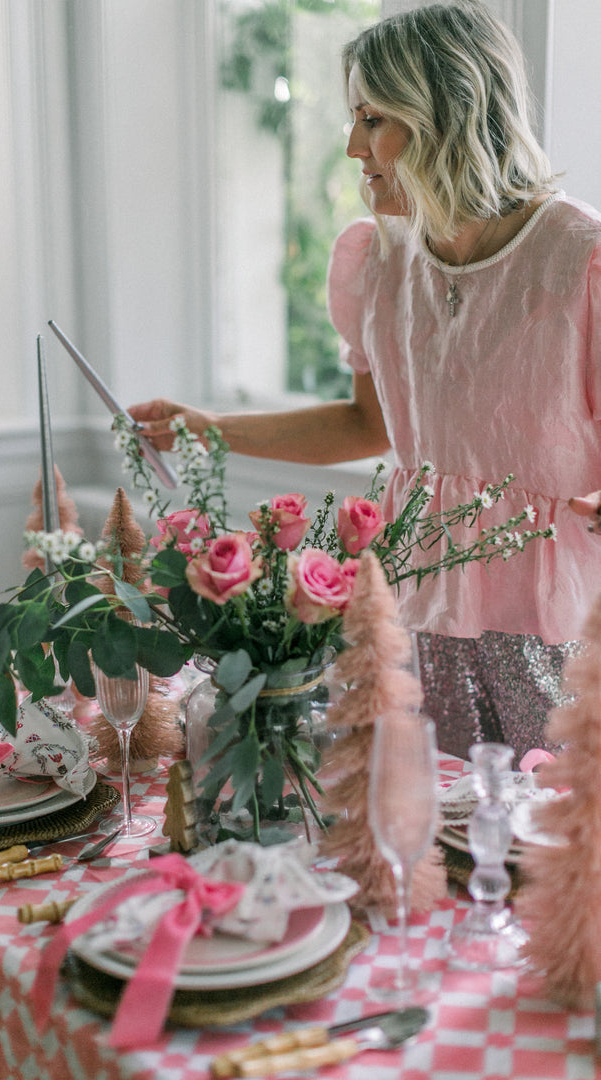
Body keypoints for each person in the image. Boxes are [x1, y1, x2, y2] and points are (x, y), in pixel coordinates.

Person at [129, 1, 601, 763]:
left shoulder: (579, 258)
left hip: (557, 624)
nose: (352, 146)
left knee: (558, 852)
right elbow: (366, 425)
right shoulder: (382, 261)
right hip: (416, 604)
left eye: (373, 117)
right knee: (421, 838)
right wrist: (207, 428)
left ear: (449, 110)